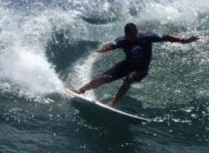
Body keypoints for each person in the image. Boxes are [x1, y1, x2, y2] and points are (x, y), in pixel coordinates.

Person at [69, 22, 198, 107]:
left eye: (133, 35)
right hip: (127, 64)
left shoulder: (147, 37)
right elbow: (112, 44)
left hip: (142, 69)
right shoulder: (123, 40)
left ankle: (113, 103)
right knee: (103, 78)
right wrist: (105, 48)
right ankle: (80, 91)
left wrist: (184, 40)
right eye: (129, 36)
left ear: (136, 32)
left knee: (130, 78)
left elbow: (166, 37)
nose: (131, 38)